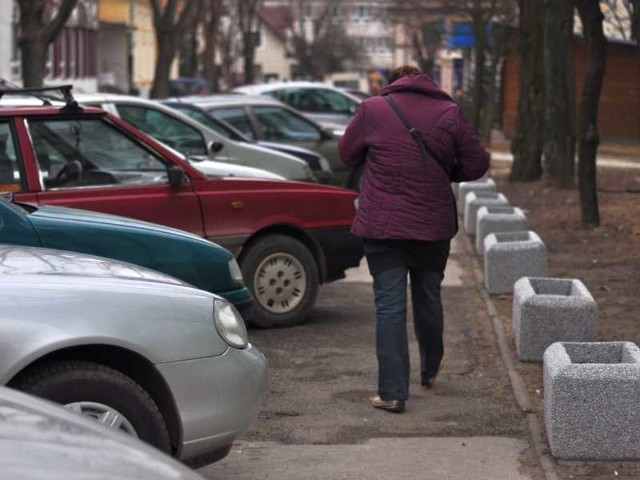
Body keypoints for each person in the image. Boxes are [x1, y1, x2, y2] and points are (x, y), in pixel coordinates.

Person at [338, 65, 489, 413]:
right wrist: (448, 171)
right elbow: (477, 163)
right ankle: (430, 368)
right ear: (427, 84)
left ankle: (392, 392)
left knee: (389, 307)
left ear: (394, 84)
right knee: (428, 296)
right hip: (432, 226)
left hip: (383, 227)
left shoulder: (373, 108)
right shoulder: (449, 112)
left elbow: (346, 154)